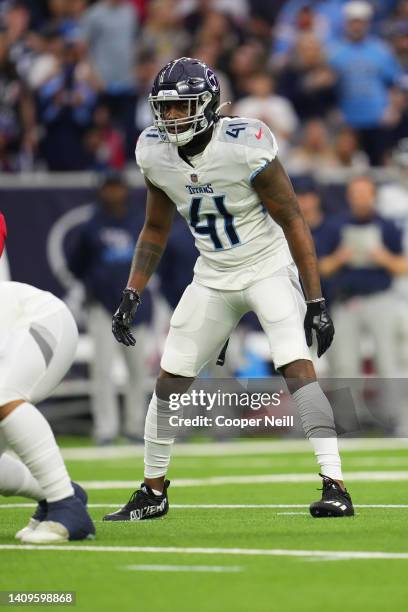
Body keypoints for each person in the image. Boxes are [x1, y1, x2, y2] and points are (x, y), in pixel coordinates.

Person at [104, 57, 354, 522]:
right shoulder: (154, 151)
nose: (172, 118)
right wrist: (132, 292)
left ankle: (335, 483)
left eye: (182, 108)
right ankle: (153, 491)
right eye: (166, 109)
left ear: (208, 103)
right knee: (170, 377)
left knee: (295, 364)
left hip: (266, 266)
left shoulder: (244, 144)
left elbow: (293, 218)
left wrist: (316, 299)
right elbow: (154, 230)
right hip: (213, 275)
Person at [0, 212, 95, 544]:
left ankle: (67, 508)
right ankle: (60, 492)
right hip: (14, 340)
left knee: (3, 394)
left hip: (38, 319)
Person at [67, 171, 152, 445]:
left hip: (135, 308)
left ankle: (134, 426)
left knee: (137, 370)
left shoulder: (140, 220)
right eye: (109, 188)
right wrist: (97, 287)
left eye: (118, 187)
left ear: (125, 190)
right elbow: (76, 265)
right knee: (102, 370)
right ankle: (105, 428)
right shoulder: (91, 225)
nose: (114, 193)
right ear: (102, 191)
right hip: (102, 308)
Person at [318, 175, 408, 377]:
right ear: (348, 197)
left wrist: (383, 258)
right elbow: (321, 268)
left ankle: (391, 408)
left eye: (365, 194)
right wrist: (339, 258)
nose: (360, 199)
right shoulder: (335, 226)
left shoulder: (388, 226)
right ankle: (350, 408)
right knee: (346, 365)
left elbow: (403, 266)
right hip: (346, 300)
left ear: (374, 196)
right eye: (356, 194)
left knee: (388, 362)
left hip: (380, 299)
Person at [326, 1, 403, 165]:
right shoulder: (333, 51)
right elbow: (328, 88)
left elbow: (395, 83)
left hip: (377, 118)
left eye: (360, 22)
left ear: (368, 23)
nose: (357, 26)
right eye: (353, 22)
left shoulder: (381, 50)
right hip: (347, 120)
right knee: (346, 165)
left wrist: (393, 108)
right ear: (346, 23)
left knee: (379, 164)